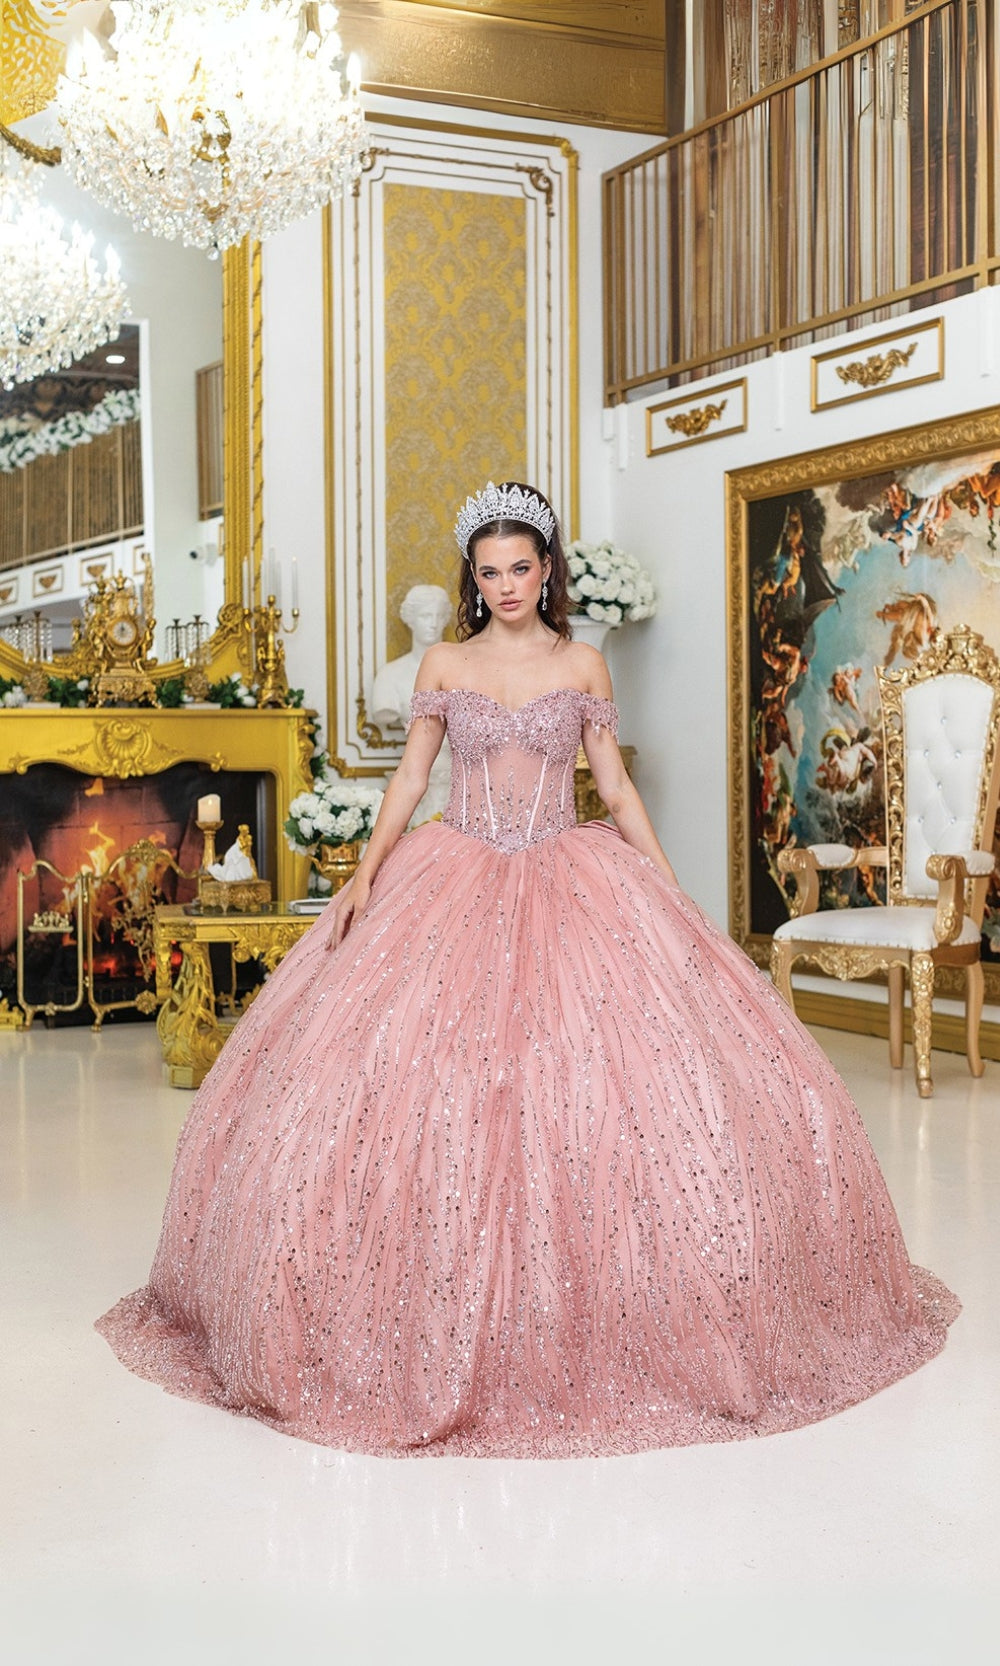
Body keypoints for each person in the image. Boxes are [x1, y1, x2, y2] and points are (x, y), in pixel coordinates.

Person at [97, 480, 958, 1459]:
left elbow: (615, 787)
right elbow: (410, 776)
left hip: (567, 865)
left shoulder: (581, 662)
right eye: (488, 571)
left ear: (547, 570)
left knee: (606, 1083)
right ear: (472, 578)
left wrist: (667, 888)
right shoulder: (447, 662)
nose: (505, 584)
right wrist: (367, 872)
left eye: (519, 567)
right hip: (452, 867)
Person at [371, 583, 453, 823]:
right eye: (426, 616)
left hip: (456, 782)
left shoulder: (461, 672)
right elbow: (383, 711)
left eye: (439, 616)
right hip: (416, 782)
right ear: (410, 620)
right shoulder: (390, 676)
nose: (434, 623)